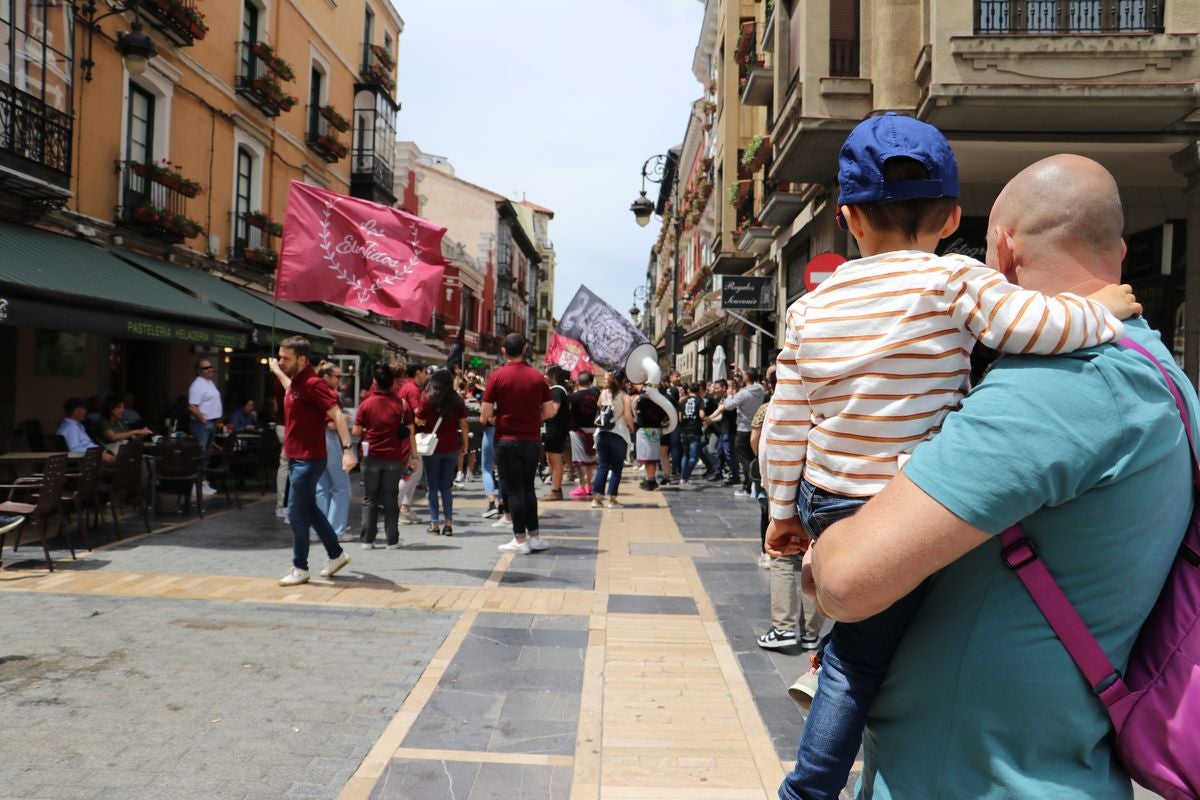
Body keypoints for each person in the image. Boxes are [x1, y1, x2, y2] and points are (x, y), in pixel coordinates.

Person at [783, 154, 1187, 799]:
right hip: (1059, 761)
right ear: (1119, 248)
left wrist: (822, 550)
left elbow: (847, 581)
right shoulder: (1159, 368)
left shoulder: (1056, 388)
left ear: (1002, 247)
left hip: (973, 778)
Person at [271, 336, 356, 587]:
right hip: (298, 457)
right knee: (309, 509)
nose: (281, 361)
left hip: (308, 459)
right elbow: (290, 388)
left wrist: (348, 450)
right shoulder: (297, 383)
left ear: (302, 359)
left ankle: (300, 567)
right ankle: (336, 554)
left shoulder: (313, 384)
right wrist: (276, 370)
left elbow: (337, 415)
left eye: (285, 358)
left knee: (296, 513)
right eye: (280, 357)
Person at [755, 381, 824, 650]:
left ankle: (783, 627)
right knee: (815, 555)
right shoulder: (829, 392)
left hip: (790, 486)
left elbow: (769, 444)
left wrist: (770, 489)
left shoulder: (787, 394)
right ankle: (810, 632)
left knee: (785, 556)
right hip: (824, 486)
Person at [481, 333, 555, 554]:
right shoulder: (538, 377)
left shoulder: (496, 376)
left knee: (513, 491)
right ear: (525, 349)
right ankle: (534, 537)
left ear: (504, 351)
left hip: (506, 440)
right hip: (531, 440)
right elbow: (549, 411)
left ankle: (519, 540)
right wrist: (530, 419)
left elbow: (485, 414)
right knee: (529, 488)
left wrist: (502, 419)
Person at [353, 364, 416, 549]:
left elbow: (356, 431)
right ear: (393, 383)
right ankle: (392, 540)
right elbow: (411, 432)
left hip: (370, 455)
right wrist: (415, 456)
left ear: (375, 382)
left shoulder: (366, 404)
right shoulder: (401, 404)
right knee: (390, 497)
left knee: (370, 498)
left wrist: (369, 429)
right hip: (393, 457)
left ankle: (367, 540)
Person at [415, 369, 469, 536]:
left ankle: (434, 523)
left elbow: (418, 419)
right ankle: (448, 523)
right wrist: (465, 444)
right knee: (446, 487)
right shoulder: (458, 401)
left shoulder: (427, 399)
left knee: (432, 487)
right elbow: (464, 425)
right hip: (451, 447)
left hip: (432, 448)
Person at [313, 361, 352, 541]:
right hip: (329, 438)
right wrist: (343, 420)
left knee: (322, 487)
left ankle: (318, 530)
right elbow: (331, 422)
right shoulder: (330, 394)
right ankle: (336, 530)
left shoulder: (313, 390)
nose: (340, 380)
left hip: (316, 439)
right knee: (341, 487)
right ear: (326, 377)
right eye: (337, 376)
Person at [591, 372, 634, 508]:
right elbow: (627, 414)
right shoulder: (625, 396)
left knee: (602, 466)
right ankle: (612, 500)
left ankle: (596, 499)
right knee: (616, 468)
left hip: (602, 433)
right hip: (619, 433)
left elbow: (599, 407)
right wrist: (631, 427)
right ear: (622, 382)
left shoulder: (602, 393)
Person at [724, 367, 764, 498]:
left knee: (745, 460)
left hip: (743, 429)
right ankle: (755, 483)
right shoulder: (760, 390)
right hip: (756, 428)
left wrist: (730, 394)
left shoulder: (744, 393)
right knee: (753, 457)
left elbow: (728, 406)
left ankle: (748, 485)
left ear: (747, 377)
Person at [396, 363, 428, 524]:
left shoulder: (406, 387)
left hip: (407, 437)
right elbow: (417, 417)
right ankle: (399, 507)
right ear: (418, 372)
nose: (426, 375)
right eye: (425, 372)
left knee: (414, 472)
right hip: (411, 438)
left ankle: (404, 507)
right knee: (412, 472)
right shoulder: (413, 389)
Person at [188, 357, 222, 496]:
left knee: (206, 455)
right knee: (200, 454)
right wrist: (203, 420)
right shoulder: (197, 385)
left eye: (210, 367)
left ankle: (203, 481)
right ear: (198, 371)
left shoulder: (209, 382)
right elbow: (192, 406)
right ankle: (196, 484)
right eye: (205, 368)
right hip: (203, 424)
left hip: (211, 422)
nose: (209, 369)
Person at [567, 371, 600, 499]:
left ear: (578, 382)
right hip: (595, 430)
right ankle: (589, 485)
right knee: (591, 459)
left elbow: (567, 414)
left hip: (577, 430)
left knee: (579, 460)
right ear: (591, 382)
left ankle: (582, 486)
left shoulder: (572, 397)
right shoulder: (597, 394)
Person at [542, 365, 572, 501]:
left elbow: (553, 410)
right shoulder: (561, 390)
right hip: (556, 430)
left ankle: (556, 490)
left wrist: (537, 417)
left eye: (546, 375)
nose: (544, 377)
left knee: (555, 460)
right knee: (553, 459)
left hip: (555, 430)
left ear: (553, 377)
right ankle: (555, 488)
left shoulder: (556, 391)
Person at [57, 398, 113, 463]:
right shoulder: (71, 428)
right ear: (77, 411)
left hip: (94, 454)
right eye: (84, 409)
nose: (86, 411)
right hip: (88, 459)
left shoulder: (76, 425)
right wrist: (100, 454)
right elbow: (75, 449)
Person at [677, 383, 705, 488]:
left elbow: (680, 418)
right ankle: (685, 478)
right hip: (695, 430)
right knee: (693, 457)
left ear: (688, 390)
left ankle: (682, 478)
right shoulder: (699, 401)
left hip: (684, 430)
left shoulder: (683, 401)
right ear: (698, 391)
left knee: (685, 455)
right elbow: (701, 415)